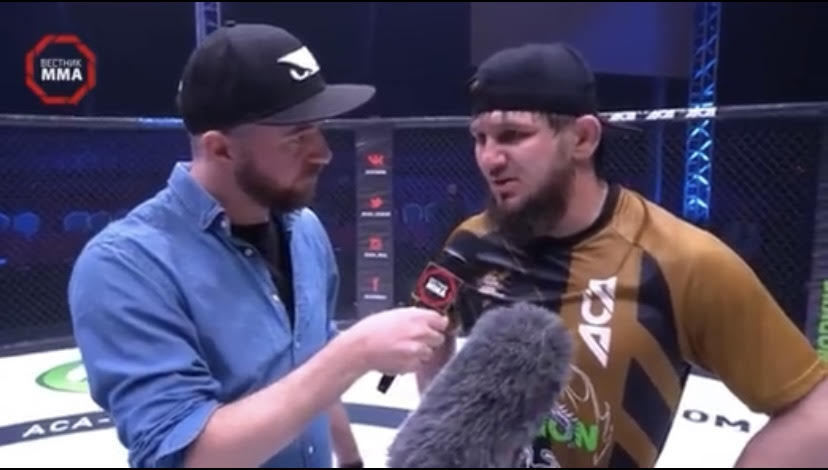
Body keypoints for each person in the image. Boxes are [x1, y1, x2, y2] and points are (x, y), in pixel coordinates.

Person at [414, 42, 828, 468]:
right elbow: (430, 331)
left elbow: (816, 411)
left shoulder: (682, 259)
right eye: (479, 138)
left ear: (583, 138)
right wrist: (449, 435)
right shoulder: (470, 240)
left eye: (513, 135)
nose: (489, 158)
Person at [67, 23, 448, 468]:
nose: (323, 153)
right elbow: (186, 459)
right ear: (220, 149)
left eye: (318, 129)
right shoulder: (125, 266)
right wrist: (356, 351)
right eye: (297, 137)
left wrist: (350, 460)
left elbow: (308, 366)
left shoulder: (305, 230)